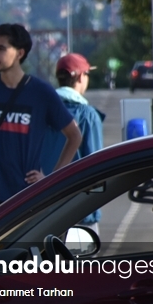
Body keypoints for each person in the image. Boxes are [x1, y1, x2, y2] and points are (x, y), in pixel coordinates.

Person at [0, 23, 82, 221]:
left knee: (25, 252)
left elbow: (74, 135)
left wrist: (51, 178)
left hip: (28, 195)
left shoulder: (41, 93)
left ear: (19, 53)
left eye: (1, 48)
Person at [40, 53, 105, 230]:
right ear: (81, 76)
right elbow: (95, 167)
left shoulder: (39, 112)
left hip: (42, 213)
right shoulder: (88, 115)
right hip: (79, 213)